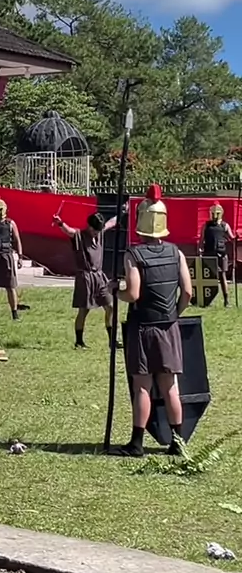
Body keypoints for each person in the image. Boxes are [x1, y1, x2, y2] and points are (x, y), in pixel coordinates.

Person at [113, 184, 192, 458]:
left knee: (142, 386)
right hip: (169, 327)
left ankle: (136, 444)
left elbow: (133, 293)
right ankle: (178, 443)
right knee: (170, 386)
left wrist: (116, 291)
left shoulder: (133, 255)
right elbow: (188, 292)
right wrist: (174, 314)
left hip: (143, 328)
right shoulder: (176, 252)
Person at [53, 210, 121, 349]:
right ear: (90, 227)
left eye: (99, 230)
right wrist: (60, 222)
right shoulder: (79, 235)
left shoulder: (99, 233)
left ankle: (112, 341)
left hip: (99, 277)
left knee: (110, 306)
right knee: (84, 310)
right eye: (95, 230)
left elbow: (111, 223)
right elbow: (69, 231)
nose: (97, 233)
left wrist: (123, 210)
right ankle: (79, 342)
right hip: (85, 277)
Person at [199, 201, 235, 307]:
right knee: (208, 277)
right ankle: (207, 300)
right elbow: (201, 239)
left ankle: (226, 300)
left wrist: (235, 238)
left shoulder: (225, 225)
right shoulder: (206, 225)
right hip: (209, 253)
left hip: (221, 254)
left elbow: (232, 238)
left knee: (222, 276)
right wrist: (200, 250)